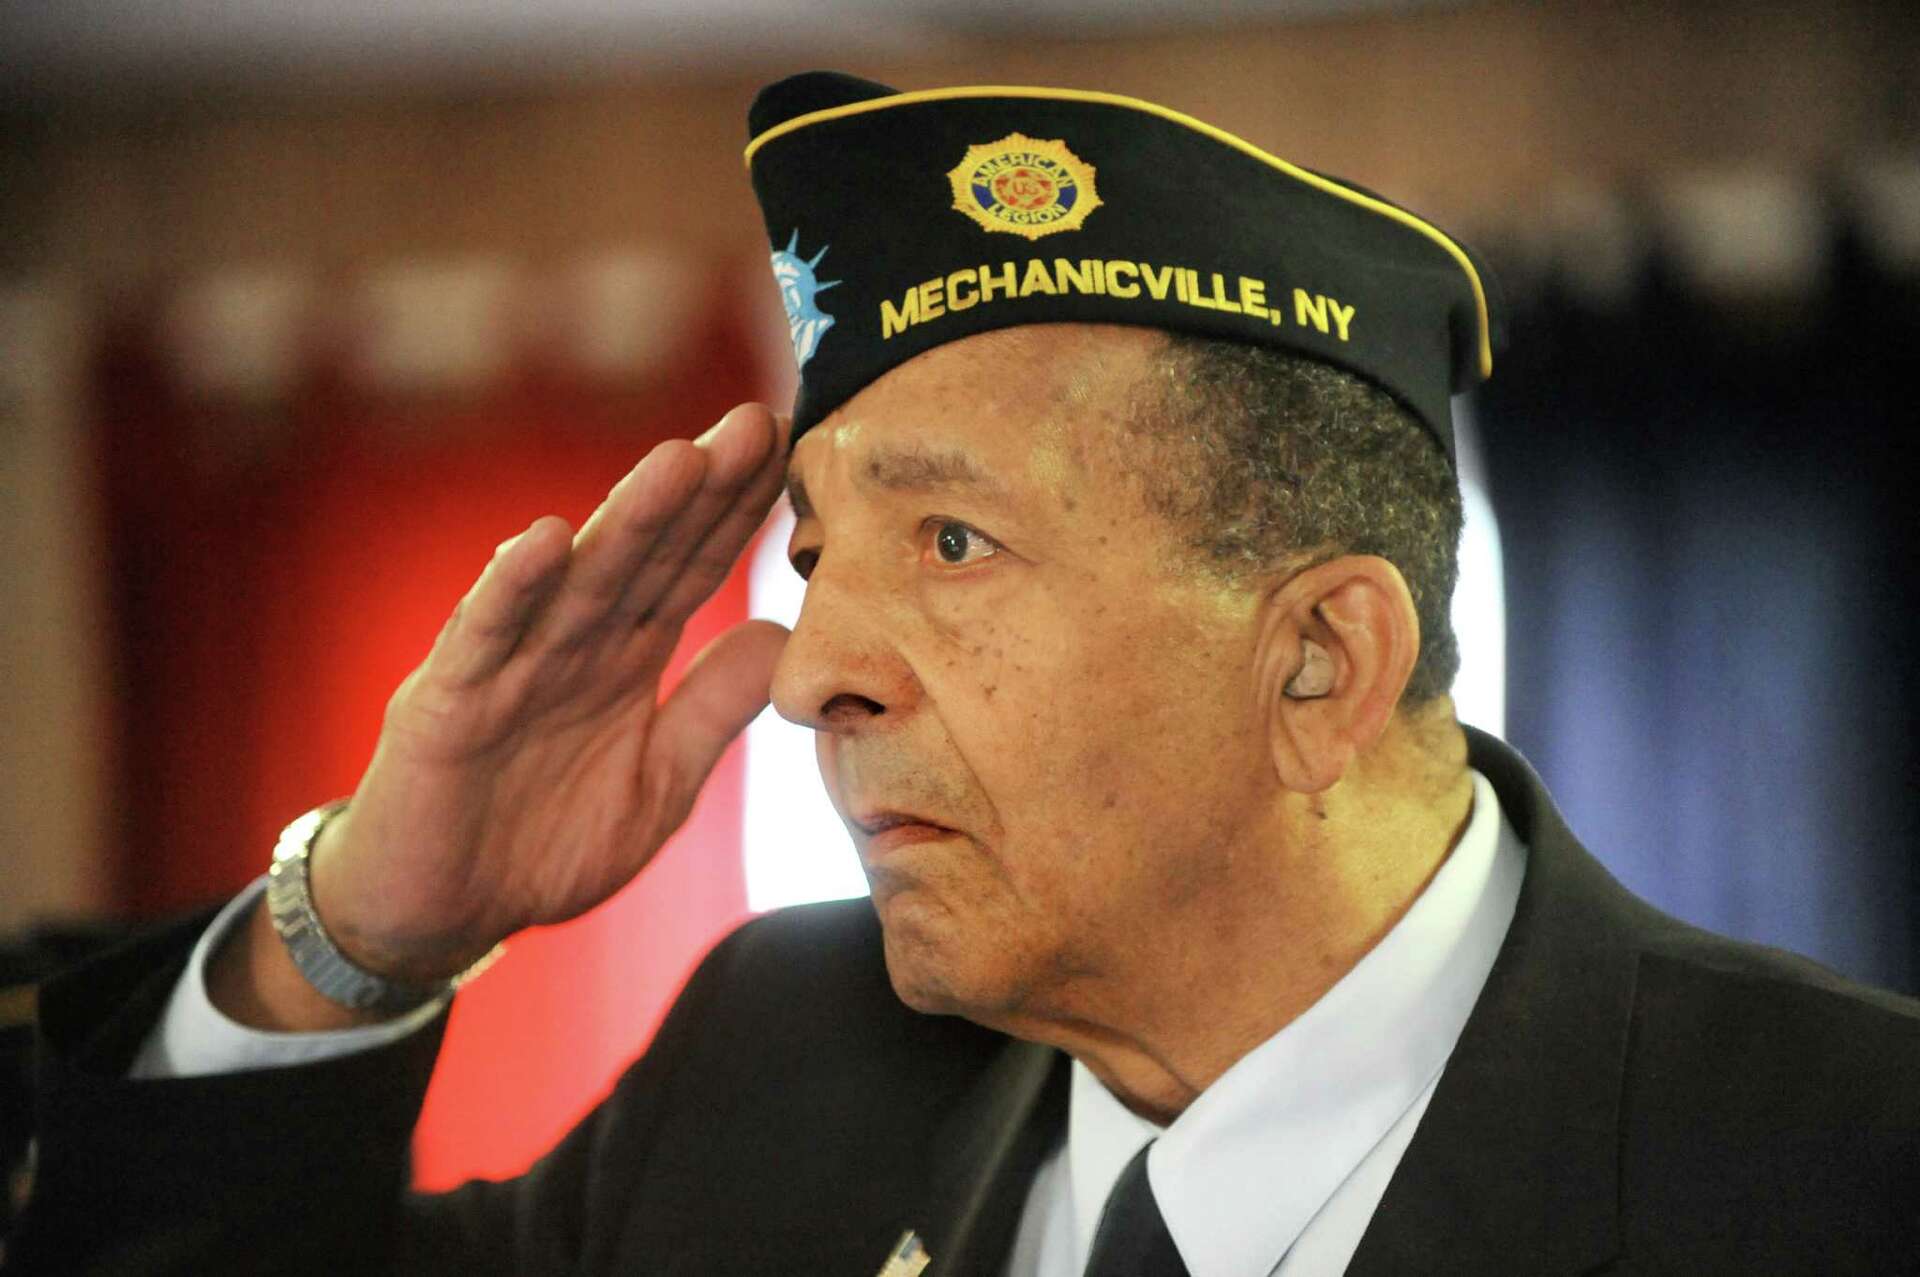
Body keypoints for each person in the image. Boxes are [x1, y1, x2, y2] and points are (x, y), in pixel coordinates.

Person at [12, 72, 1919, 1276]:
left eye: (950, 543)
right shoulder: (780, 1060)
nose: (810, 676)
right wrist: (358, 929)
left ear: (1321, 661)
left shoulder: (1844, 1166)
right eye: (815, 556)